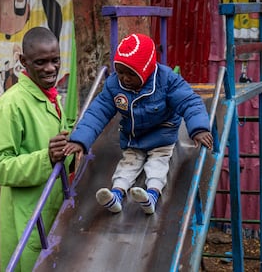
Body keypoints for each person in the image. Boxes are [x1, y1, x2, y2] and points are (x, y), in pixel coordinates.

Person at [63, 33, 213, 215]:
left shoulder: (166, 80)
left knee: (157, 165)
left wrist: (198, 128)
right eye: (120, 72)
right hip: (134, 138)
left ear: (146, 69)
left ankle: (151, 196)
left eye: (130, 74)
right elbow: (97, 112)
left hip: (161, 136)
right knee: (127, 165)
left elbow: (189, 102)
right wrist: (80, 140)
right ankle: (116, 195)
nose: (125, 78)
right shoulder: (114, 85)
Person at [0, 26, 74, 272]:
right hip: (27, 218)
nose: (50, 68)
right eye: (41, 62)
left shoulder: (50, 97)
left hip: (53, 211)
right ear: (23, 61)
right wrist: (45, 158)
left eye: (55, 60)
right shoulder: (11, 105)